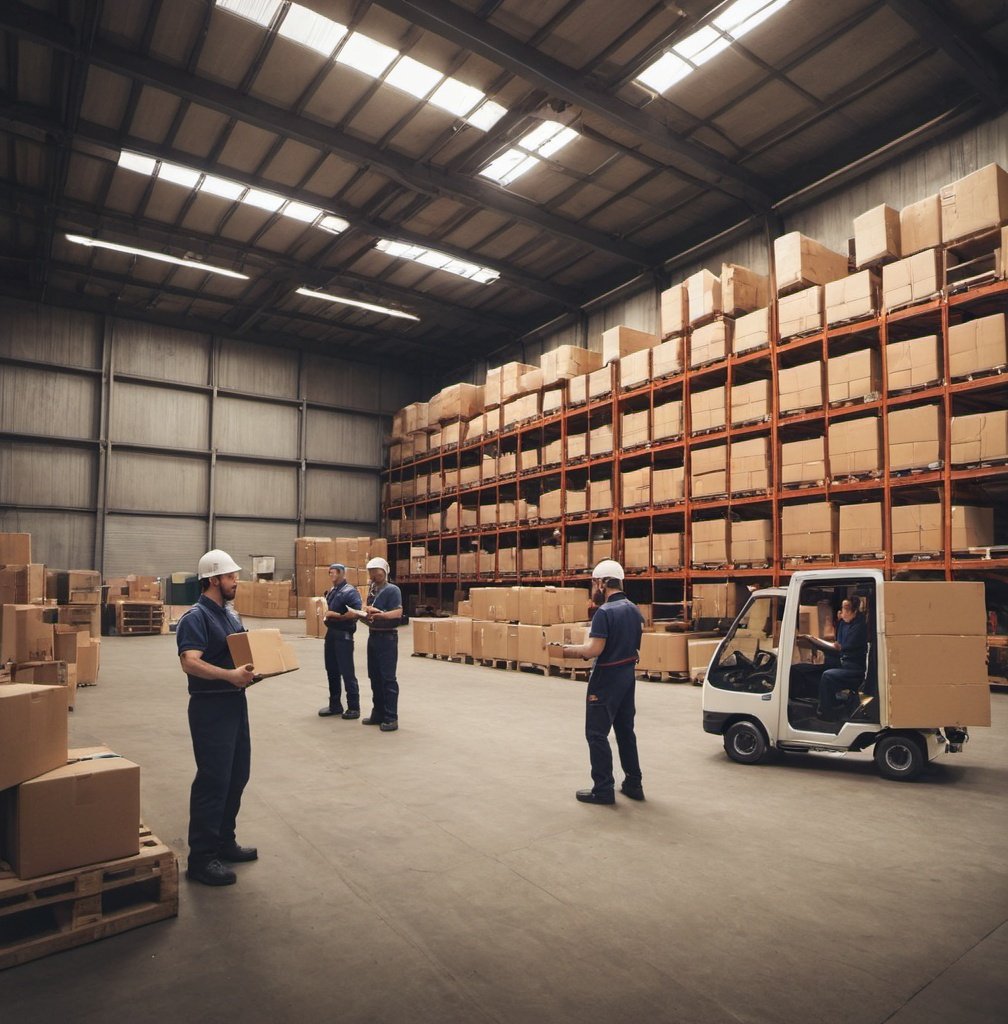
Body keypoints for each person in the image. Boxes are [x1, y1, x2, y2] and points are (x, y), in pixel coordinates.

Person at [176, 549, 258, 887]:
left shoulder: (228, 615)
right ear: (213, 579)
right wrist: (229, 676)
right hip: (210, 708)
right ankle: (202, 858)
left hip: (234, 704)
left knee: (237, 775)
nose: (236, 580)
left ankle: (224, 842)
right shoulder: (196, 617)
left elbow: (238, 654)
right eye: (230, 576)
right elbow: (189, 661)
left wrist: (255, 670)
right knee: (213, 781)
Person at [556, 559, 644, 805]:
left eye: (595, 582)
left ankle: (603, 789)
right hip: (627, 676)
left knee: (596, 734)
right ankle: (633, 783)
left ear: (603, 583)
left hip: (606, 678)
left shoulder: (605, 612)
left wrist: (565, 651)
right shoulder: (634, 609)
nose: (594, 588)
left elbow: (595, 649)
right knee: (626, 731)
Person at [800, 596, 868, 719]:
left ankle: (826, 712)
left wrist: (839, 647)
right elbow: (838, 643)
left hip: (853, 668)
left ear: (854, 610)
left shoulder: (859, 625)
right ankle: (829, 702)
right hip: (842, 661)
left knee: (828, 676)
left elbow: (846, 645)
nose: (843, 611)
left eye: (846, 609)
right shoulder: (842, 623)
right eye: (843, 608)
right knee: (811, 669)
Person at [360, 557, 403, 731]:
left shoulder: (393, 590)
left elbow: (398, 612)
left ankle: (391, 716)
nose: (374, 577)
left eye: (377, 574)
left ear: (384, 573)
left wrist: (382, 615)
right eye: (371, 575)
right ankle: (378, 712)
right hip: (374, 636)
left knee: (388, 678)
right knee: (374, 677)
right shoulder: (372, 590)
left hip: (387, 638)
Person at [318, 563, 362, 719]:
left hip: (344, 635)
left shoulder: (350, 592)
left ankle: (354, 707)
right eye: (330, 573)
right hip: (331, 634)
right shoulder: (332, 591)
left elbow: (357, 613)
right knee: (331, 670)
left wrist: (336, 616)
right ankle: (335, 704)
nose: (332, 576)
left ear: (343, 574)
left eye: (335, 573)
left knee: (347, 671)